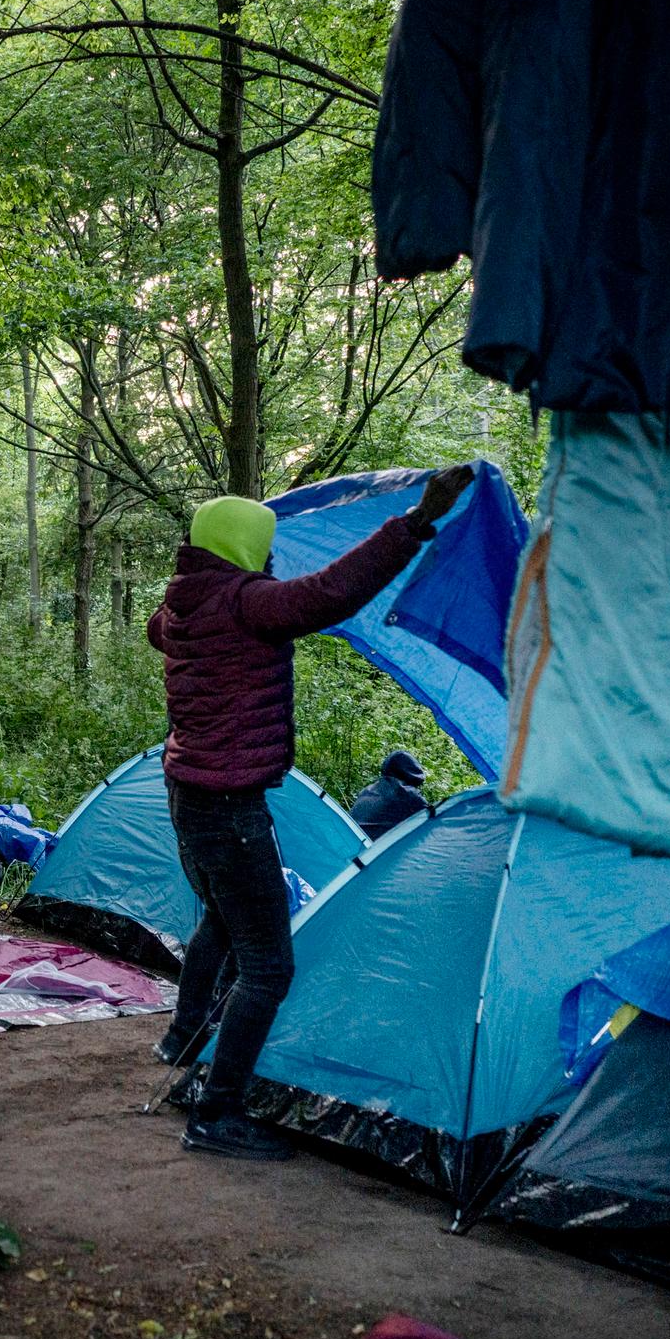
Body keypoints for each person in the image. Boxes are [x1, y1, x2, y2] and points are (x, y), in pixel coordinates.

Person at [147, 467, 474, 1159]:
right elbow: (330, 593)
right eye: (262, 546)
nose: (269, 559)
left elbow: (165, 627)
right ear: (243, 548)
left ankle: (182, 1037)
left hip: (189, 798)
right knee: (269, 966)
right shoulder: (247, 603)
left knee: (224, 922)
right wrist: (414, 524)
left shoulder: (180, 605)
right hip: (230, 808)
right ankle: (215, 1113)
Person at [348, 750, 429, 841]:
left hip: (348, 842)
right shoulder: (407, 794)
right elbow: (431, 819)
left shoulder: (369, 789)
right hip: (368, 850)